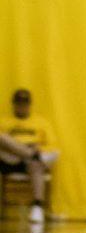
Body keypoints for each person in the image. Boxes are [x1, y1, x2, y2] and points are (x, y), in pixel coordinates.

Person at [0, 89, 59, 224]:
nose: (22, 107)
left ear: (29, 105)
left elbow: (53, 146)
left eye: (24, 104)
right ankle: (27, 153)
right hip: (7, 157)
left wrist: (38, 148)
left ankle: (37, 205)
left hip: (29, 160)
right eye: (19, 103)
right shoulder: (3, 121)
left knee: (36, 164)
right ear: (13, 104)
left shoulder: (41, 122)